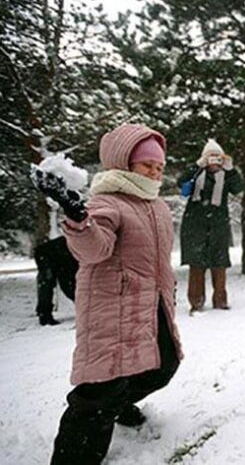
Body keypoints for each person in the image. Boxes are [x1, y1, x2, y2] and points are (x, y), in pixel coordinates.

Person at [32, 123, 184, 465]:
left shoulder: (156, 206)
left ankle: (117, 405)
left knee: (163, 365)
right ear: (123, 163)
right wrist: (77, 218)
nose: (155, 172)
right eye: (147, 165)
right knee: (99, 393)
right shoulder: (108, 202)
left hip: (151, 306)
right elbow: (93, 250)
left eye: (159, 166)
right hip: (111, 309)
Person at [177, 139, 243, 314]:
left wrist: (231, 169)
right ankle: (196, 303)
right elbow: (180, 183)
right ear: (205, 158)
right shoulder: (196, 173)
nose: (214, 162)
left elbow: (238, 188)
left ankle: (220, 301)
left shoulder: (227, 176)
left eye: (217, 157)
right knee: (196, 265)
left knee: (219, 263)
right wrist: (197, 166)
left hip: (218, 225)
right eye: (210, 157)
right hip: (195, 225)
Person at [33, 236, 78, 326]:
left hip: (55, 254)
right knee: (47, 283)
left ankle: (43, 312)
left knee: (47, 284)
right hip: (49, 254)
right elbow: (69, 285)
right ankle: (44, 315)